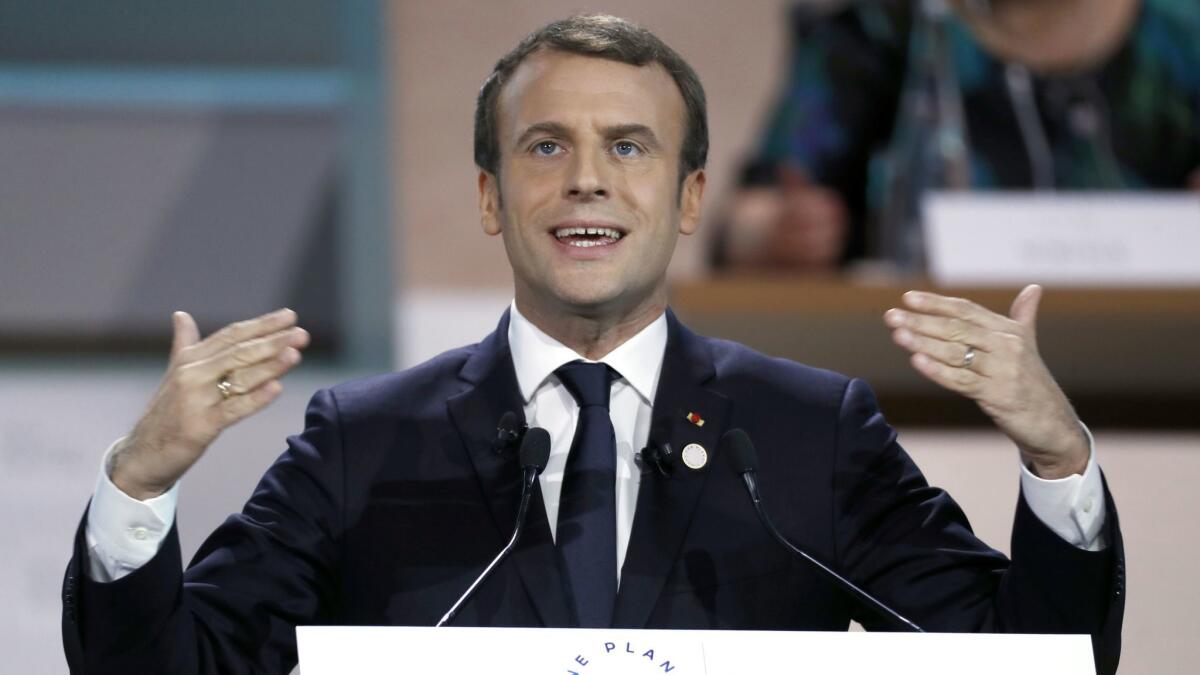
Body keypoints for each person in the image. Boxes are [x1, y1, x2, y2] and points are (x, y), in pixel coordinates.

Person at [62, 14, 1124, 675]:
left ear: (690, 195)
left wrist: (1058, 461)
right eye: (545, 146)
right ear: (491, 197)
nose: (587, 180)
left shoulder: (811, 435)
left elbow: (1025, 663)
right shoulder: (361, 442)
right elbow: (173, 667)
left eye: (629, 146)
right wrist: (140, 483)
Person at [714, 0, 1200, 270]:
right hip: (925, 369)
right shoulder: (887, 25)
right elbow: (748, 219)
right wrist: (778, 232)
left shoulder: (1182, 33)